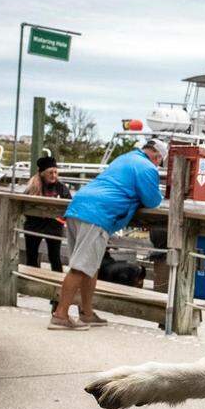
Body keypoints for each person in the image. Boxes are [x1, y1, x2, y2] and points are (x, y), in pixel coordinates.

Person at [49, 140, 166, 330]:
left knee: (90, 265)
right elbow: (152, 200)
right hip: (98, 214)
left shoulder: (125, 158)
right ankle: (60, 315)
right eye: (159, 162)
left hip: (78, 206)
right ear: (157, 157)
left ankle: (87, 314)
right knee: (80, 267)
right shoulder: (147, 168)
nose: (157, 166)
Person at [23, 155, 72, 273]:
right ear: (42, 173)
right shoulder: (32, 187)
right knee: (32, 257)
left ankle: (57, 285)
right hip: (34, 225)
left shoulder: (61, 188)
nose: (54, 175)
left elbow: (69, 205)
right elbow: (24, 206)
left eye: (56, 172)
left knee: (55, 258)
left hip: (54, 226)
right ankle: (32, 282)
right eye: (50, 173)